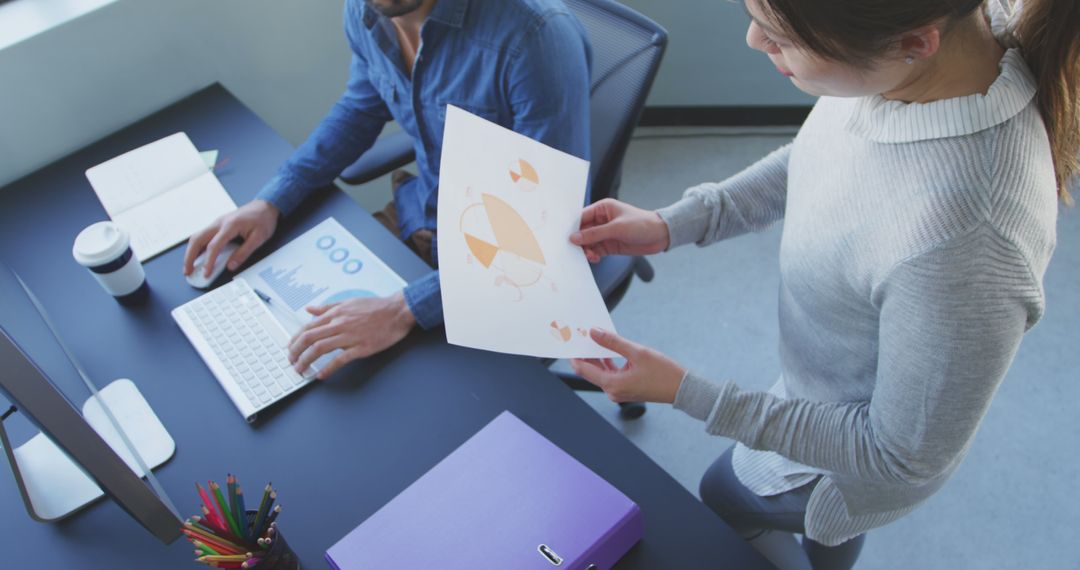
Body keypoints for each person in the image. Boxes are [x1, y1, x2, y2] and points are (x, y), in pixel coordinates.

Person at [568, 0, 1078, 568]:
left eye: (783, 36)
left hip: (852, 456)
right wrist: (673, 224)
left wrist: (685, 391)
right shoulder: (922, 60)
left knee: (722, 494)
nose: (753, 40)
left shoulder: (967, 243)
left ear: (915, 42)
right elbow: (821, 158)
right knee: (820, 538)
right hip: (824, 379)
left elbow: (895, 455)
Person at [183, 0, 590, 379]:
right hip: (426, 217)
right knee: (283, 340)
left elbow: (545, 226)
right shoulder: (367, 10)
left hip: (511, 264)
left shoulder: (535, 38)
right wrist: (272, 199)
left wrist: (403, 309)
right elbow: (360, 108)